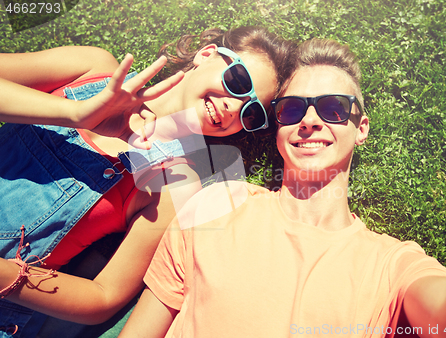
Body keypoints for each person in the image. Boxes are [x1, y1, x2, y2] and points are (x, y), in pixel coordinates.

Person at [119, 38, 446, 338]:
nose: (311, 120)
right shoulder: (215, 206)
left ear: (361, 128)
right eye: (292, 109)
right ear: (279, 128)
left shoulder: (390, 265)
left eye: (333, 107)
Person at [0, 26, 296, 337]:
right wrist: (74, 114)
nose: (234, 107)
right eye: (238, 82)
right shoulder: (91, 69)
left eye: (251, 113)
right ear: (206, 55)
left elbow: (104, 296)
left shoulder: (176, 182)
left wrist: (8, 276)